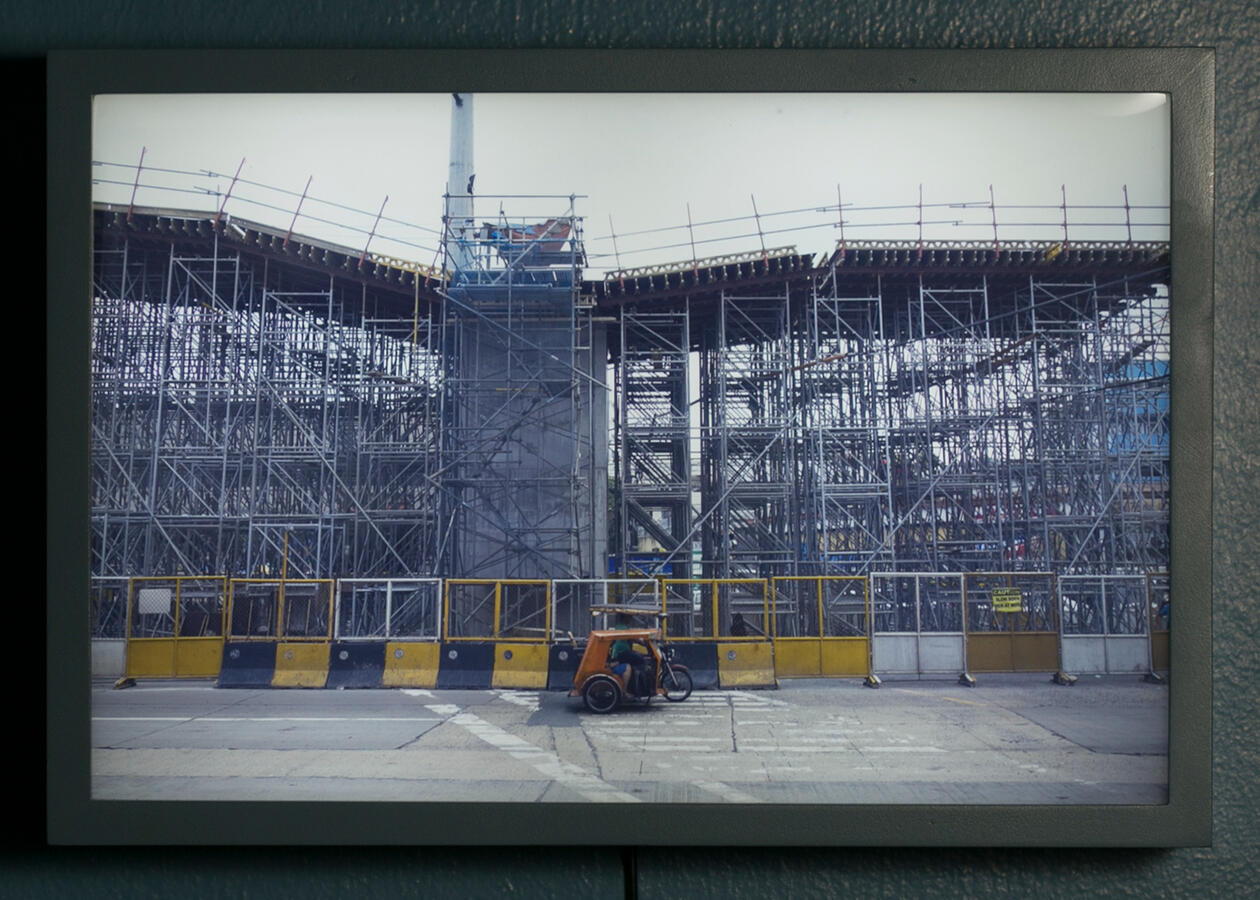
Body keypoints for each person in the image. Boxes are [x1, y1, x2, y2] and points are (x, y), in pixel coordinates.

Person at [610, 613, 651, 695]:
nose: (631, 619)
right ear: (625, 618)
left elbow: (631, 639)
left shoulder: (618, 626)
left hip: (619, 653)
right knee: (641, 660)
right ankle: (639, 686)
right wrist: (643, 642)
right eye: (629, 617)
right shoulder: (624, 628)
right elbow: (634, 638)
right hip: (622, 653)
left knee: (638, 657)